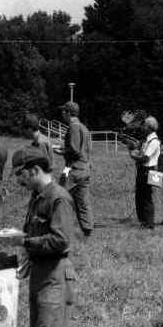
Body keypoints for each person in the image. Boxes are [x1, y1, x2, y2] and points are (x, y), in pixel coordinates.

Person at [10, 145, 76, 327]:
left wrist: (24, 241)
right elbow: (35, 232)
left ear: (35, 169)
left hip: (54, 276)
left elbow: (61, 241)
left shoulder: (58, 198)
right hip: (40, 272)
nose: (19, 181)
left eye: (21, 174)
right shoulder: (37, 196)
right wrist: (28, 253)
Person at [53, 101, 93, 236]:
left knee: (58, 196)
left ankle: (58, 230)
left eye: (63, 111)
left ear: (68, 113)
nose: (62, 114)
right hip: (85, 168)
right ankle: (87, 231)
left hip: (73, 169)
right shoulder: (83, 127)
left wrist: (61, 152)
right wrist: (65, 149)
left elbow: (75, 150)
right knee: (83, 202)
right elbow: (83, 149)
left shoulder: (73, 127)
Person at [128, 116, 161, 229]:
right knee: (140, 196)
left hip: (149, 171)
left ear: (150, 127)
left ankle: (149, 223)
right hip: (143, 170)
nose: (143, 127)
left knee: (147, 197)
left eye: (145, 125)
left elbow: (145, 158)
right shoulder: (147, 139)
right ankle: (142, 220)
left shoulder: (154, 141)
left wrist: (133, 155)